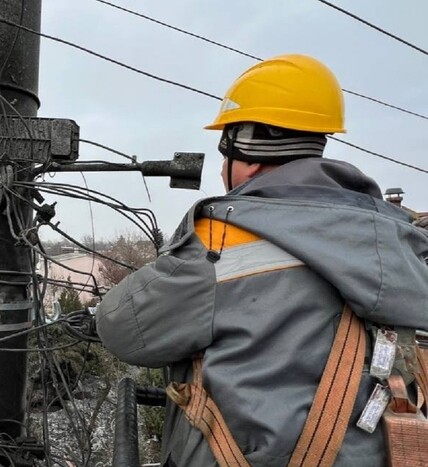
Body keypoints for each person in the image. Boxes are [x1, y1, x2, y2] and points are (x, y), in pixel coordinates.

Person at [96, 54, 428, 466]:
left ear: (247, 152)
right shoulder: (403, 239)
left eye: (225, 154)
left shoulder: (224, 241)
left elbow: (121, 328)